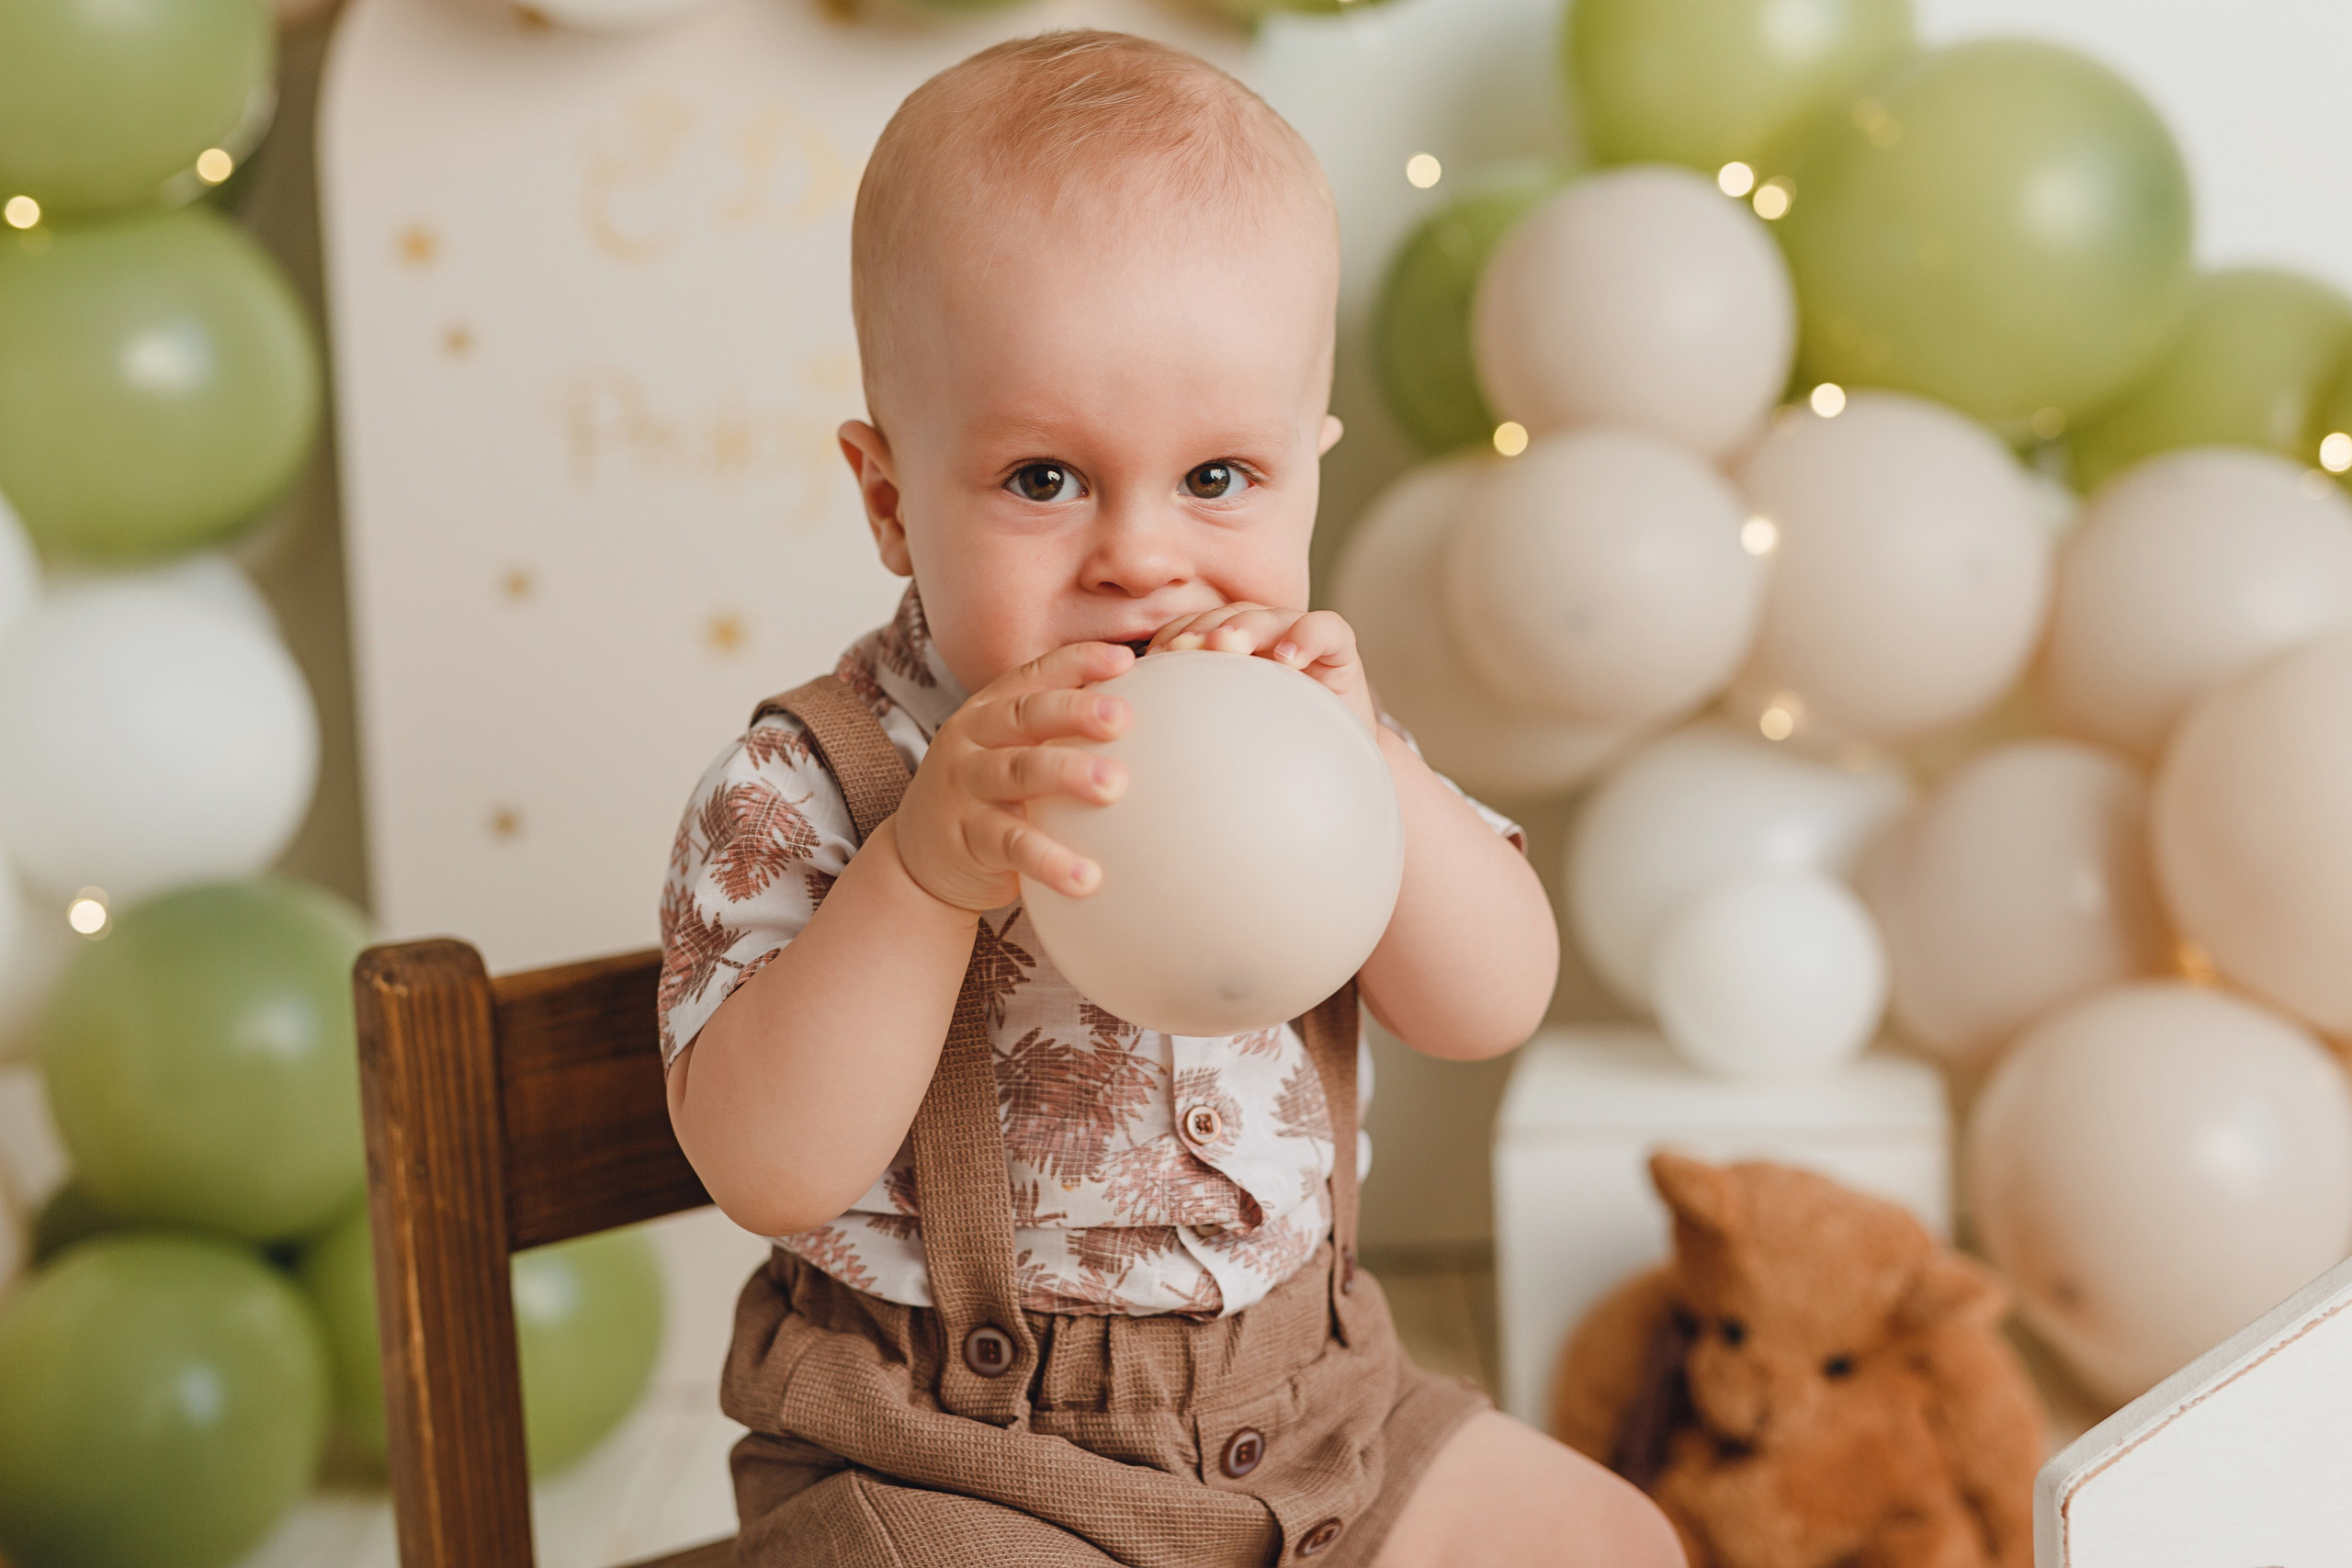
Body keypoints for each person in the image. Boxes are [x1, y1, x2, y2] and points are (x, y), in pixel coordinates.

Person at [658, 29, 1683, 1567]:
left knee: (1612, 1548)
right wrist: (924, 876)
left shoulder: (1316, 734)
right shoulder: (813, 781)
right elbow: (765, 1166)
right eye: (1044, 480)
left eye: (1217, 479)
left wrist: (1378, 769)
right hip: (951, 1464)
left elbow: (1492, 1001)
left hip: (1324, 1405)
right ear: (889, 498)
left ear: (1307, 474)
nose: (1142, 557)